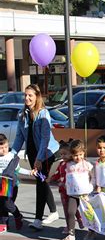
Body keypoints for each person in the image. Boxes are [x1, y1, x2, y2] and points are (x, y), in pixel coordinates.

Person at [11, 84, 59, 230]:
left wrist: (39, 159)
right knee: (42, 181)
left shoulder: (44, 114)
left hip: (46, 153)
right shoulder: (22, 114)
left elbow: (45, 139)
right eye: (25, 95)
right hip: (32, 153)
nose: (27, 98)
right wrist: (11, 155)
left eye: (30, 95)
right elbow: (19, 137)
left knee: (40, 183)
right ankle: (54, 211)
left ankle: (38, 219)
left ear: (37, 97)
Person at [62, 140, 94, 240]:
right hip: (73, 194)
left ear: (84, 153)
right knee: (70, 212)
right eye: (75, 155)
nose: (78, 157)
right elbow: (66, 176)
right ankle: (71, 236)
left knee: (88, 214)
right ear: (72, 154)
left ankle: (91, 230)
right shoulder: (68, 165)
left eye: (80, 154)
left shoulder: (87, 165)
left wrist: (91, 189)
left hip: (85, 195)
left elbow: (93, 178)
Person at [48, 140, 84, 234]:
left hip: (73, 191)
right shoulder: (61, 164)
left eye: (65, 154)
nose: (63, 156)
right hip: (63, 191)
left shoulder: (73, 164)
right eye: (61, 154)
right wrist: (50, 179)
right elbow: (57, 174)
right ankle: (69, 226)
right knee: (66, 209)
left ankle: (79, 219)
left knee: (73, 208)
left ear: (71, 154)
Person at [0, 134, 33, 231]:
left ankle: (18, 216)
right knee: (1, 204)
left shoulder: (12, 156)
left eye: (6, 147)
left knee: (7, 204)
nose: (4, 150)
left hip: (10, 184)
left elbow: (18, 169)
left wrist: (29, 172)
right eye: (1, 148)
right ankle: (3, 223)